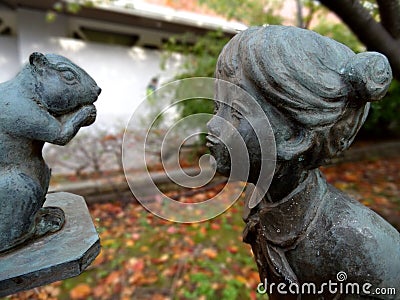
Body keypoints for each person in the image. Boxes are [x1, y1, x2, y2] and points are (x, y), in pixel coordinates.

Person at [207, 25, 399, 298]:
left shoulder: (356, 244)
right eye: (218, 107)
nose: (212, 124)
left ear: (296, 138)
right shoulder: (265, 202)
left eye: (235, 111)